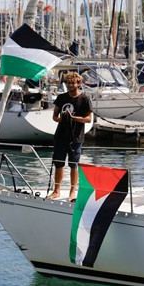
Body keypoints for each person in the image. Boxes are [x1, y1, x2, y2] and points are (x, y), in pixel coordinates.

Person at [48, 71, 93, 201]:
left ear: (79, 83)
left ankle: (72, 192)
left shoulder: (84, 99)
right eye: (68, 83)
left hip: (76, 137)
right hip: (61, 136)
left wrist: (74, 118)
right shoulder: (61, 98)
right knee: (59, 164)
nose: (70, 85)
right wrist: (61, 119)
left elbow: (89, 119)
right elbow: (54, 116)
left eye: (73, 83)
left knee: (74, 165)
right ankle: (56, 191)